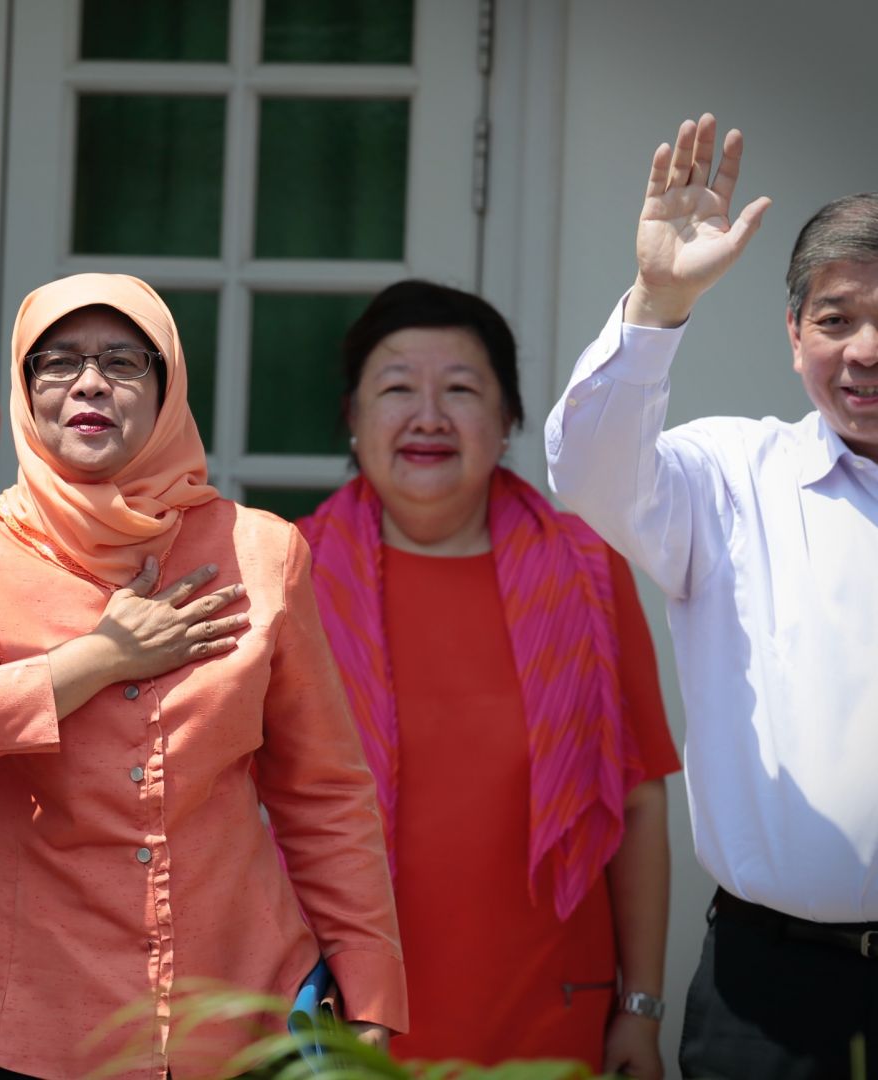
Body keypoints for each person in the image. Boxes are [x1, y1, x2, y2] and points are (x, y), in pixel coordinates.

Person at [0, 272, 406, 1079]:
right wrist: (97, 659)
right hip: (25, 1026)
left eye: (122, 361)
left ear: (166, 389)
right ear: (25, 389)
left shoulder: (262, 552)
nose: (89, 382)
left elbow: (323, 794)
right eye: (58, 361)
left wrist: (368, 994)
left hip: (234, 1017)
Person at [547, 113, 878, 1079]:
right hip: (771, 992)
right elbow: (589, 470)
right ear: (793, 336)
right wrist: (658, 302)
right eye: (835, 320)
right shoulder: (732, 476)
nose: (864, 350)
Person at [297, 280, 679, 1075]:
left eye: (461, 390)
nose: (428, 416)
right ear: (352, 417)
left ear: (507, 420)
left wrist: (640, 1008)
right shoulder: (286, 575)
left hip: (550, 1008)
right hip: (344, 1018)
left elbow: (639, 802)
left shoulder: (585, 570)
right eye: (395, 389)